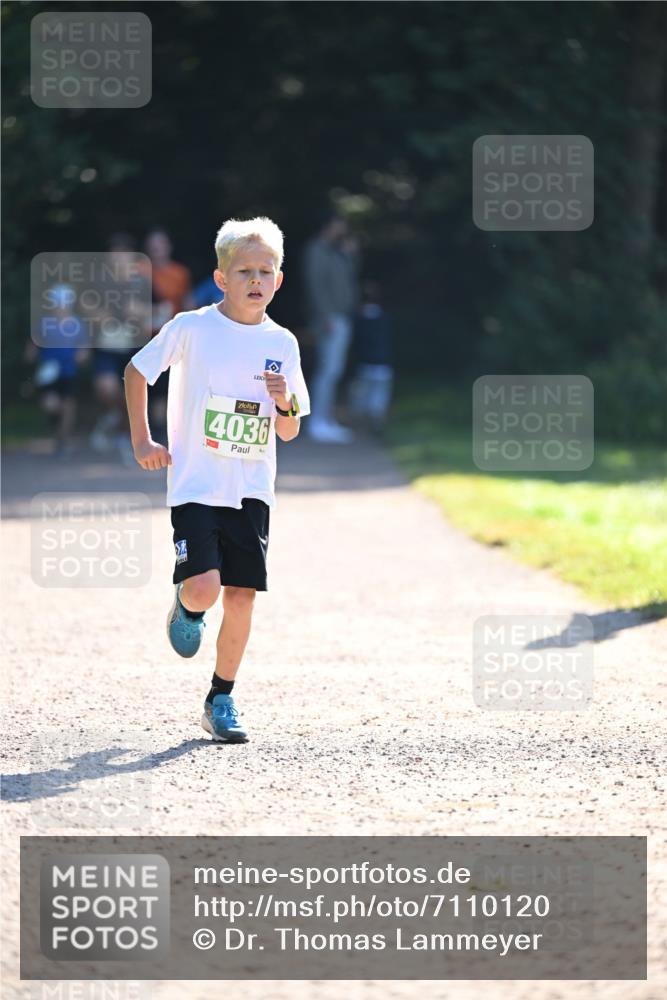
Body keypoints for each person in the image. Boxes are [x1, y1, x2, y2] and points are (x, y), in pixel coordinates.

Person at [124, 217, 310, 743]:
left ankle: (221, 697)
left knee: (243, 595)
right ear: (221, 277)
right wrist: (143, 440)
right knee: (205, 588)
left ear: (279, 280)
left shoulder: (283, 343)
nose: (255, 279)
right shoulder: (193, 327)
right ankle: (185, 605)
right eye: (244, 270)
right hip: (197, 482)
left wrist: (282, 401)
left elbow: (291, 428)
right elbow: (137, 371)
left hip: (251, 487)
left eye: (265, 271)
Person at [89, 233, 151, 458]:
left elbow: (151, 312)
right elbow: (88, 309)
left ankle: (127, 438)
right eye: (115, 255)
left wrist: (139, 313)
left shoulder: (141, 282)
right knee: (107, 388)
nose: (119, 259)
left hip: (132, 347)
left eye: (124, 255)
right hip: (106, 346)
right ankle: (116, 418)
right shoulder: (99, 282)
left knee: (131, 393)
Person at [302, 213, 359, 443]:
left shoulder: (337, 251)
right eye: (339, 226)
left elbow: (349, 279)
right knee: (328, 370)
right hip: (330, 318)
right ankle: (317, 422)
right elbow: (315, 284)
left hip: (340, 316)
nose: (342, 231)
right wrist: (324, 314)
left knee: (333, 370)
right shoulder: (317, 250)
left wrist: (350, 256)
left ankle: (325, 419)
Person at [24, 283, 89, 453]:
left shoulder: (78, 325)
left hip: (68, 372)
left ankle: (63, 440)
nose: (61, 307)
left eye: (64, 303)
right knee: (50, 404)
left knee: (68, 404)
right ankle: (57, 429)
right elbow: (31, 348)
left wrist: (81, 356)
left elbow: (84, 349)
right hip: (48, 373)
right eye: (58, 303)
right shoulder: (44, 324)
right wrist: (31, 354)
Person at [142, 229, 193, 439]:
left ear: (168, 247)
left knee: (165, 387)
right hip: (145, 337)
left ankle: (162, 432)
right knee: (145, 384)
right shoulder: (139, 271)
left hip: (171, 337)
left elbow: (188, 302)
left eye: (160, 244)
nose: (157, 249)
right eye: (153, 244)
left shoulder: (180, 273)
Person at [347, 279, 394, 435]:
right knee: (378, 398)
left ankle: (360, 426)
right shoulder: (384, 318)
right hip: (383, 365)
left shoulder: (357, 320)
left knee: (361, 397)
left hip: (364, 365)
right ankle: (375, 425)